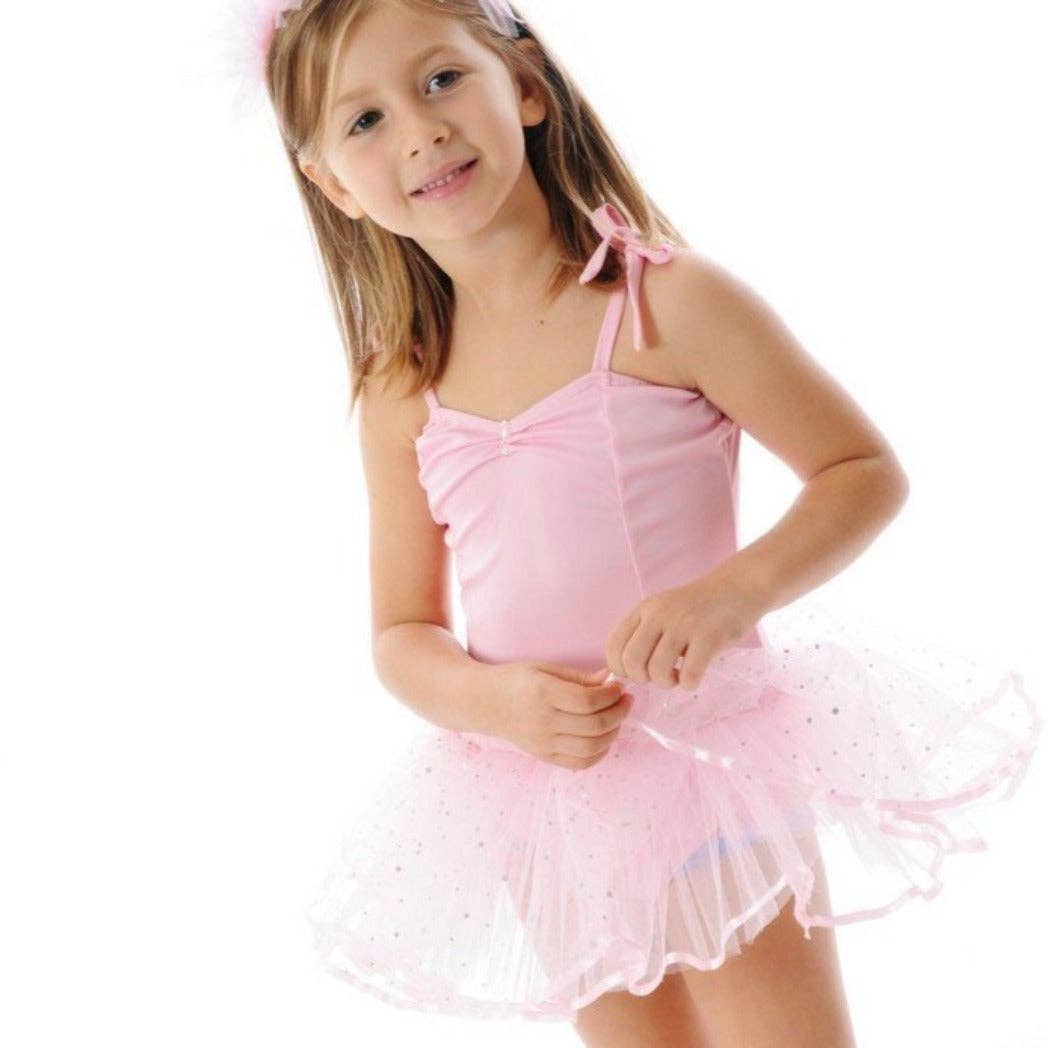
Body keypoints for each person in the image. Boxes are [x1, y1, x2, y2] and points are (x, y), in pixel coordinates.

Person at [239, 1, 1042, 1042]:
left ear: (526, 86)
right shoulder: (402, 389)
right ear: (333, 185)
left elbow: (859, 471)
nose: (421, 130)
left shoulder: (665, 304)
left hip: (708, 770)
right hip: (549, 802)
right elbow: (402, 633)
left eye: (440, 79)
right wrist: (491, 700)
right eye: (365, 120)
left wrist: (729, 595)